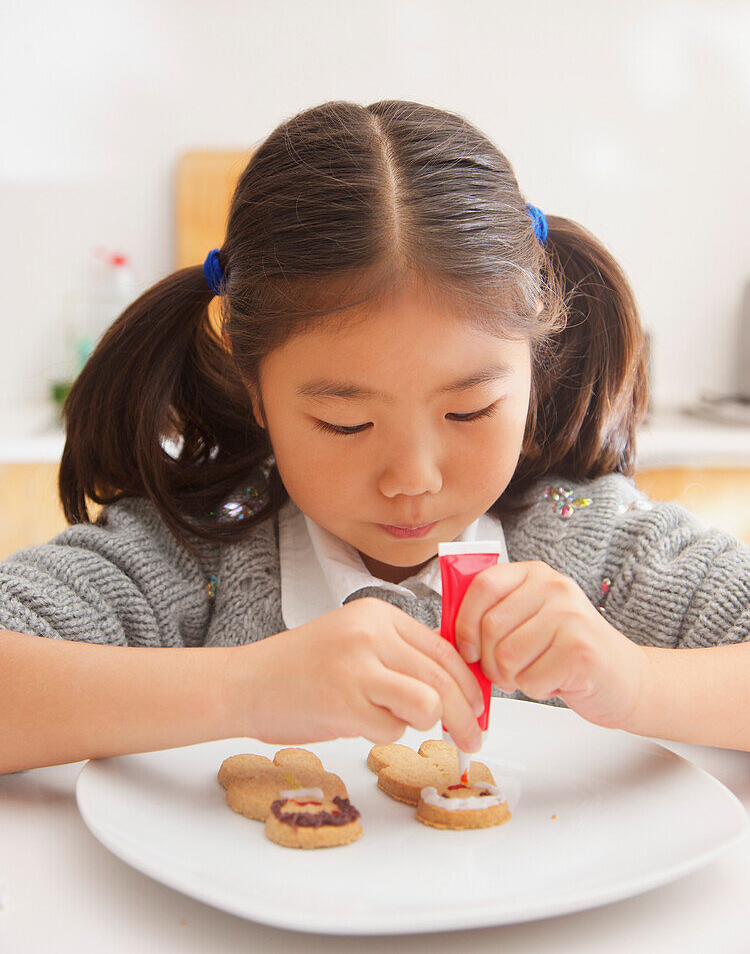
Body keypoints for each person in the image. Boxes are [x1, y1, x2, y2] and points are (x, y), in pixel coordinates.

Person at [1, 99, 749, 776]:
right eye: (345, 423)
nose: (412, 478)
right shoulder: (198, 550)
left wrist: (638, 682)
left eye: (469, 412)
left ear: (535, 371)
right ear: (254, 385)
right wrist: (246, 687)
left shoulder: (595, 543)